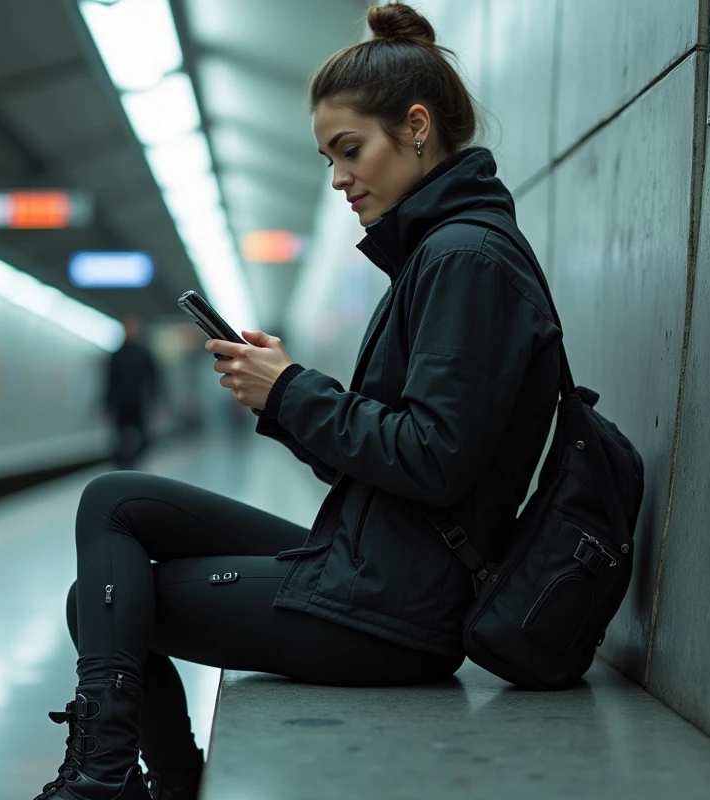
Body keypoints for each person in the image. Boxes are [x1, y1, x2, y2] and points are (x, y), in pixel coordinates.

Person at [31, 5, 562, 799]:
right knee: (116, 502)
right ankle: (132, 778)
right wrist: (277, 397)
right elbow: (399, 455)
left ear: (416, 128)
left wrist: (292, 390)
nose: (340, 178)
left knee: (100, 596)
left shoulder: (466, 260)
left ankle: (112, 779)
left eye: (351, 151)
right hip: (378, 563)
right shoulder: (440, 255)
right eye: (327, 160)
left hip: (398, 610)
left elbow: (435, 457)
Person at [103, 314, 159, 470]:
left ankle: (136, 463)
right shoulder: (116, 355)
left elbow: (153, 380)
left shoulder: (145, 354)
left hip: (139, 403)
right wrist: (106, 405)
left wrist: (156, 403)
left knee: (142, 436)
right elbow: (109, 382)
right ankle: (121, 465)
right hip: (121, 403)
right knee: (119, 437)